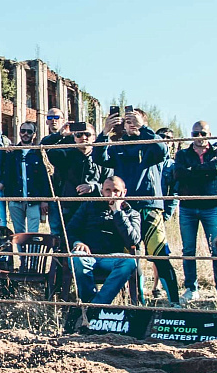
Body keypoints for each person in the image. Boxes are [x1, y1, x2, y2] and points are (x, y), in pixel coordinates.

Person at [93, 108, 179, 305]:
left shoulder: (151, 143)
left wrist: (144, 128)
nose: (130, 124)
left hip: (150, 207)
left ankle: (174, 301)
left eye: (135, 120)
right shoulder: (119, 146)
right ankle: (136, 301)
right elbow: (99, 158)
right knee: (130, 256)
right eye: (128, 120)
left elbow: (162, 150)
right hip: (126, 208)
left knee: (159, 254)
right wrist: (105, 133)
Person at [66, 176, 141, 304]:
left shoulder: (132, 213)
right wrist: (77, 242)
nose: (111, 194)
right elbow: (69, 230)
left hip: (112, 258)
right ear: (102, 192)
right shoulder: (88, 206)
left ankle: (97, 304)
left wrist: (118, 213)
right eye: (107, 190)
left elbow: (133, 241)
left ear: (124, 192)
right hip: (87, 254)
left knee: (129, 263)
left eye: (116, 190)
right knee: (76, 258)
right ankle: (90, 301)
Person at [174, 121, 217, 302]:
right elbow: (179, 174)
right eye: (195, 134)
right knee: (188, 249)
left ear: (210, 134)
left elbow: (216, 170)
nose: (199, 138)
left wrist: (192, 171)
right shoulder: (182, 154)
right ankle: (191, 288)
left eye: (203, 134)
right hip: (187, 207)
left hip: (211, 207)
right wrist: (203, 171)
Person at [46, 122, 111, 243]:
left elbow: (110, 184)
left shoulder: (102, 157)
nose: (83, 138)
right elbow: (43, 149)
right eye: (78, 134)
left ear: (94, 137)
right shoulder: (65, 155)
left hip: (93, 208)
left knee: (91, 243)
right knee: (65, 242)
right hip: (69, 207)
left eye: (87, 134)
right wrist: (60, 135)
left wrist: (93, 187)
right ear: (74, 138)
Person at [3, 121, 49, 233]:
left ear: (34, 134)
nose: (25, 134)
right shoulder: (12, 152)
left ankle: (32, 251)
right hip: (15, 199)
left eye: (29, 131)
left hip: (34, 199)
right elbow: (5, 172)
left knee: (33, 233)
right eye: (23, 131)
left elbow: (45, 177)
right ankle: (20, 251)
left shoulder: (39, 153)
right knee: (19, 233)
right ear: (19, 133)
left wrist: (45, 199)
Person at [39, 107, 70, 236]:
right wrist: (44, 198)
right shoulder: (46, 141)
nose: (53, 121)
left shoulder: (73, 140)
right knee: (55, 231)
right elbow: (42, 174)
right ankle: (57, 256)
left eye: (56, 117)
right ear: (46, 121)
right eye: (50, 118)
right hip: (53, 194)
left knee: (71, 230)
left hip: (71, 193)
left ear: (63, 120)